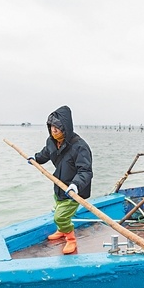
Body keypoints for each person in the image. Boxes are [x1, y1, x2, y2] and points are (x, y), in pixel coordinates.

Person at [30, 106, 93, 254]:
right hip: (58, 185)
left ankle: (71, 239)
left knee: (60, 216)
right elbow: (46, 153)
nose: (54, 130)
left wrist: (75, 185)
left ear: (66, 128)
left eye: (58, 127)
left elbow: (86, 171)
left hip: (74, 190)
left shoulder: (80, 147)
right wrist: (36, 158)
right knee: (58, 208)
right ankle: (61, 230)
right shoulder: (51, 141)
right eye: (51, 127)